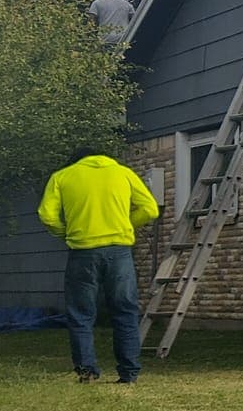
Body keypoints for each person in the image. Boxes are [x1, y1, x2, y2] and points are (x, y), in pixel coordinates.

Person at [37, 148, 159, 383]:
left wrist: (67, 234)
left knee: (81, 314)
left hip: (82, 252)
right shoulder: (123, 173)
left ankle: (87, 371)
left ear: (76, 161)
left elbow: (47, 215)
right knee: (125, 311)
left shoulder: (62, 177)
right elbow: (150, 209)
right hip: (119, 252)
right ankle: (129, 374)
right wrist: (126, 225)